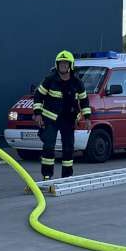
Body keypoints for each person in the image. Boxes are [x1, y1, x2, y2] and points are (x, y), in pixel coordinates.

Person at [32, 50, 92, 180]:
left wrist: (87, 118)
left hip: (68, 119)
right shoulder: (50, 80)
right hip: (50, 118)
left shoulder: (77, 83)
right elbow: (38, 96)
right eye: (60, 63)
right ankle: (47, 176)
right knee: (48, 147)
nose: (63, 65)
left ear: (70, 65)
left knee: (69, 148)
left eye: (66, 63)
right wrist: (37, 114)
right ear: (57, 64)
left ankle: (67, 177)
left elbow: (84, 101)